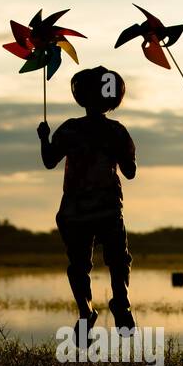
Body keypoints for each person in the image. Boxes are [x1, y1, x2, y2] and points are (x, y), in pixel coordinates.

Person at [38, 67, 137, 336]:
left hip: (74, 209)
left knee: (79, 264)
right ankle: (122, 303)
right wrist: (120, 153)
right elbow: (130, 171)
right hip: (108, 206)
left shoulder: (70, 129)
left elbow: (49, 161)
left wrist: (44, 139)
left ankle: (85, 309)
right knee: (118, 259)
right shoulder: (116, 131)